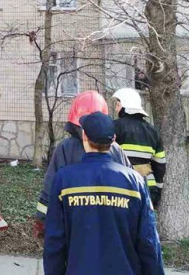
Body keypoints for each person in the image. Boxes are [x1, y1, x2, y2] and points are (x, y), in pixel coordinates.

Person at [43, 111, 165, 275]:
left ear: (84, 136)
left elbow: (54, 242)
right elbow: (149, 242)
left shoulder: (64, 180)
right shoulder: (135, 182)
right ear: (114, 140)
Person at [34, 91, 131, 238]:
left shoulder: (65, 148)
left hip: (75, 229)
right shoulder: (117, 150)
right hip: (113, 228)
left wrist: (42, 222)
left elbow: (51, 188)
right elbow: (133, 191)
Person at [112, 87, 166, 209]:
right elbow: (160, 165)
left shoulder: (114, 127)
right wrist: (157, 190)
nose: (116, 108)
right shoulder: (153, 131)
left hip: (121, 188)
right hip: (147, 189)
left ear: (125, 104)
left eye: (117, 104)